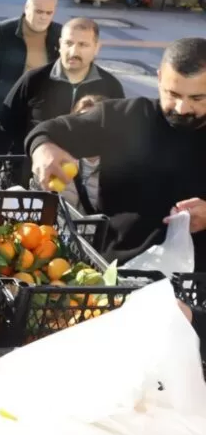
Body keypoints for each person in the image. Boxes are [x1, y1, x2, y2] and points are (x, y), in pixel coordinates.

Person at [27, 37, 206, 270]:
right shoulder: (125, 118)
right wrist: (43, 148)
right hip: (120, 274)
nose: (182, 108)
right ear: (160, 77)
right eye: (172, 94)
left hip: (197, 283)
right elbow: (49, 131)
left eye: (197, 98)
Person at [0, 17, 125, 155]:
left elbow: (119, 138)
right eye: (68, 43)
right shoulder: (33, 80)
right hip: (31, 172)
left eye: (83, 45)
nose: (73, 52)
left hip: (85, 174)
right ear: (60, 44)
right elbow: (2, 128)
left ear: (96, 48)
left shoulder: (111, 87)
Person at [0, 0, 62, 122]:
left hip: (42, 108)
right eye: (39, 11)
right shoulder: (3, 31)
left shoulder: (60, 34)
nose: (44, 17)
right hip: (6, 105)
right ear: (26, 8)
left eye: (49, 13)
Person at [58, 94, 107, 215]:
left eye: (96, 124)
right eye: (83, 122)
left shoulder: (117, 169)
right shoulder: (57, 158)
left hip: (91, 233)